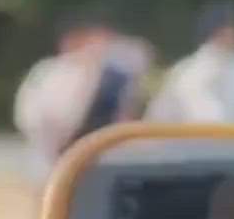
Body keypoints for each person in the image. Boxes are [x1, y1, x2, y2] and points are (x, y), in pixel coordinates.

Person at [13, 15, 141, 186]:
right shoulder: (49, 72)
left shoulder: (116, 76)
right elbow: (34, 116)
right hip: (54, 155)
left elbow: (123, 115)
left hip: (100, 157)